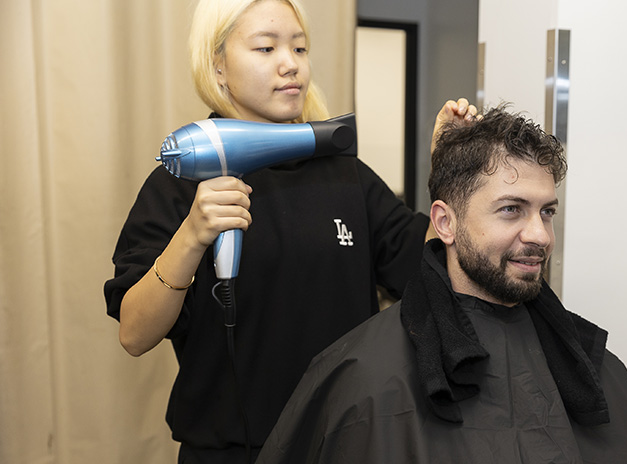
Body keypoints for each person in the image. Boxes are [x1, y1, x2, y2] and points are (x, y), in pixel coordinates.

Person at [103, 0, 476, 462]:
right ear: (218, 67)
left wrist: (455, 176)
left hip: (347, 438)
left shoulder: (344, 175)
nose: (290, 63)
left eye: (299, 48)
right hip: (231, 450)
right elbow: (135, 335)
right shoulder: (180, 181)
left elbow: (435, 269)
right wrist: (192, 234)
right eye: (266, 48)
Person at [255, 106, 627, 464]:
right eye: (512, 210)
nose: (540, 235)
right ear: (445, 222)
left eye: (547, 212)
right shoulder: (362, 374)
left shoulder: (588, 367)